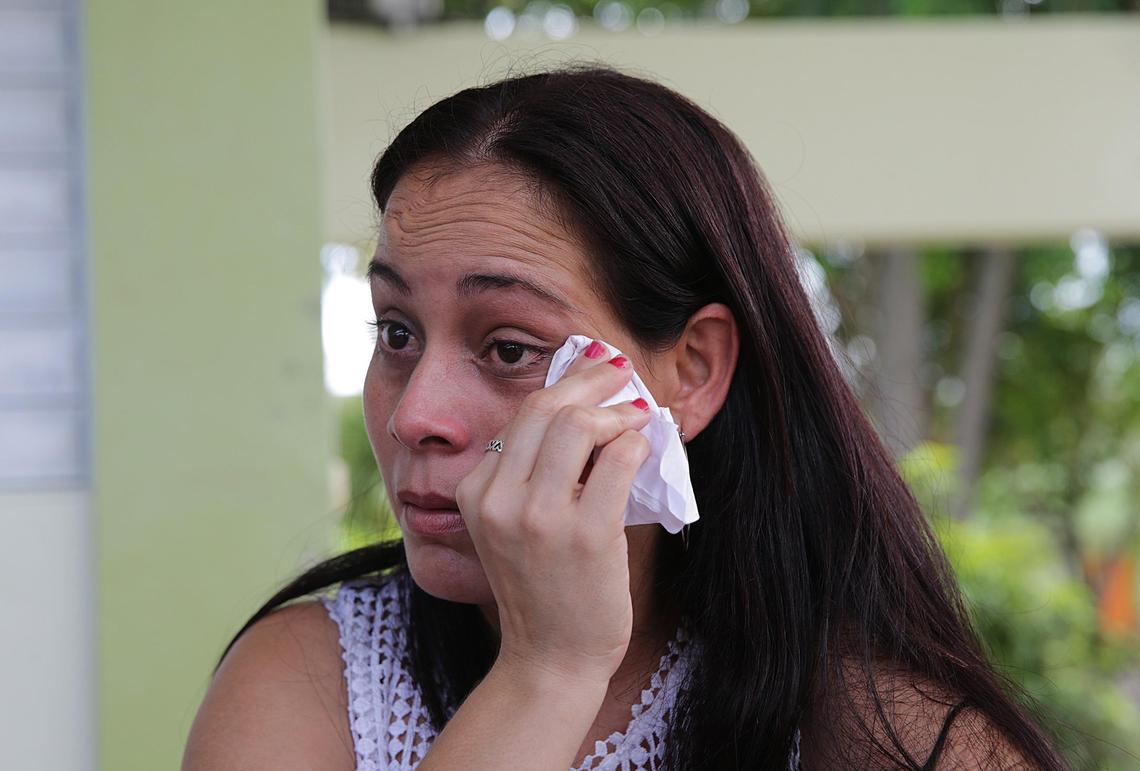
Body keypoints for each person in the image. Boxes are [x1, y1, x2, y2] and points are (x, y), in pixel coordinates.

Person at [183, 65, 1067, 770]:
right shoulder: (308, 677)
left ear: (692, 370)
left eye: (509, 348)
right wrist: (547, 670)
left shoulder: (868, 720)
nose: (416, 414)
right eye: (398, 331)